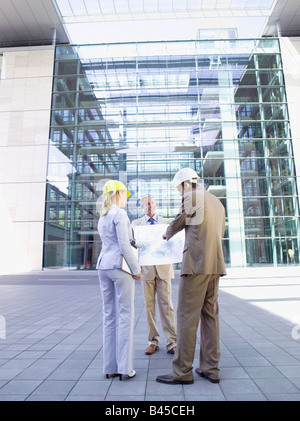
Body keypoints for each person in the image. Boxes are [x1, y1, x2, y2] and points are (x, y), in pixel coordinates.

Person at [156, 168, 226, 385]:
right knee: (210, 317)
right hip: (215, 265)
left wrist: (167, 233)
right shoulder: (217, 202)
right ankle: (210, 368)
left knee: (187, 317)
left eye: (179, 189)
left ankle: (182, 371)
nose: (180, 194)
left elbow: (180, 220)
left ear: (186, 184)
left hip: (195, 265)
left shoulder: (192, 196)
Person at [96, 180, 142, 380]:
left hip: (103, 266)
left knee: (109, 316)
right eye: (125, 195)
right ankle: (125, 368)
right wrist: (137, 269)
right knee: (125, 315)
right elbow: (125, 245)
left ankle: (110, 367)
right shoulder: (120, 215)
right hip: (119, 267)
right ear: (118, 194)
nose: (126, 199)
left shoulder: (103, 216)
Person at [132, 195, 177, 355]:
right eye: (146, 204)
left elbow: (175, 241)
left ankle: (172, 342)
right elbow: (133, 248)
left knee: (167, 306)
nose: (149, 206)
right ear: (142, 207)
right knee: (149, 307)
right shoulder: (136, 225)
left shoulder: (166, 223)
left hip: (164, 269)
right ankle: (153, 341)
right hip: (146, 271)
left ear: (155, 205)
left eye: (151, 203)